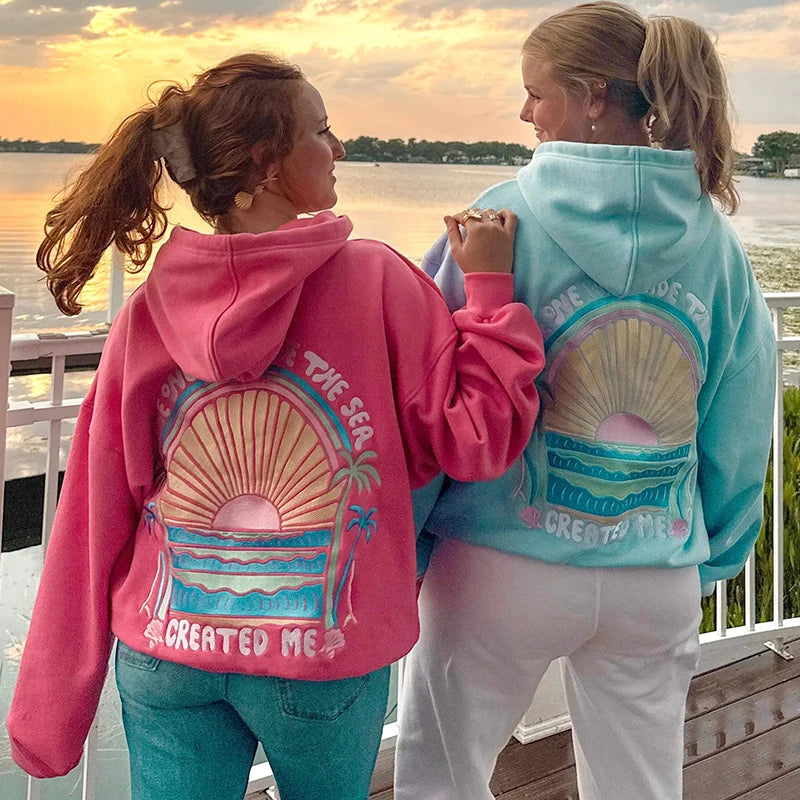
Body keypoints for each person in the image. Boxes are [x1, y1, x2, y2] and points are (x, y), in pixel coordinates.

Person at [5, 53, 546, 800]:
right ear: (267, 164)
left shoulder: (150, 308)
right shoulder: (377, 281)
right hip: (323, 651)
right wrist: (487, 292)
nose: (339, 146)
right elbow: (476, 440)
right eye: (321, 130)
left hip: (167, 648)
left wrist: (49, 709)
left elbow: (95, 509)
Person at [395, 3, 776, 799]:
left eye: (536, 93)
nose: (524, 112)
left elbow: (429, 402)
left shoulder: (495, 221)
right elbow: (739, 422)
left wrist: (408, 544)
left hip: (499, 559)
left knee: (442, 778)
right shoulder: (716, 243)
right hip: (656, 567)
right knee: (641, 784)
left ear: (595, 96)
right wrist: (712, 551)